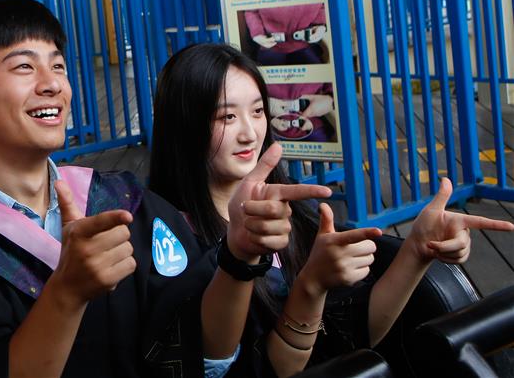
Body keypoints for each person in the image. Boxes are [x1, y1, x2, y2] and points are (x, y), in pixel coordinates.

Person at [0, 0, 328, 378]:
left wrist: (236, 259)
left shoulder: (123, 203)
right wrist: (66, 293)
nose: (52, 84)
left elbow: (204, 358)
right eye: (24, 68)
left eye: (58, 65)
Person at [147, 43, 514, 377]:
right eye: (226, 117)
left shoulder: (295, 212)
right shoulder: (172, 241)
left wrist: (417, 249)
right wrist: (310, 286)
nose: (249, 133)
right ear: (184, 125)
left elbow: (356, 332)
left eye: (258, 111)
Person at [244, 5, 327, 66]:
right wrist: (257, 33)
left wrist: (320, 26)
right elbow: (251, 11)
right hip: (271, 44)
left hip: (304, 44)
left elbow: (322, 6)